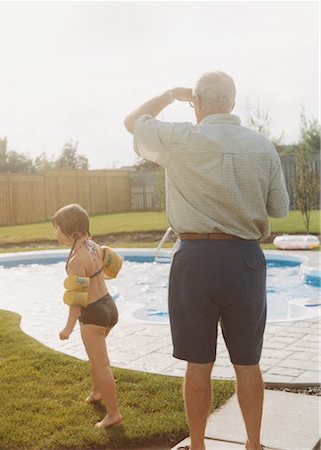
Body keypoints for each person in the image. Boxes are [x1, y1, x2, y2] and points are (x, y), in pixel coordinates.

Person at [124, 71, 289, 450]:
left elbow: (132, 123)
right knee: (247, 362)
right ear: (233, 102)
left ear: (196, 104)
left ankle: (197, 446)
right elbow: (279, 208)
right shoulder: (262, 146)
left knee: (198, 363)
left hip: (194, 261)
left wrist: (169, 94)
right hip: (245, 260)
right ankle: (252, 444)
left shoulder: (178, 138)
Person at [52, 203, 123, 428]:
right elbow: (112, 268)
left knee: (101, 364)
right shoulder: (93, 246)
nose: (55, 233)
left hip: (93, 314)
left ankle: (113, 414)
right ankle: (97, 392)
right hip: (109, 306)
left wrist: (68, 328)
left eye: (57, 228)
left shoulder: (76, 261)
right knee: (97, 358)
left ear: (72, 233)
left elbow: (76, 302)